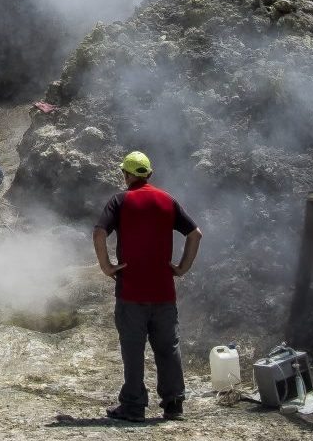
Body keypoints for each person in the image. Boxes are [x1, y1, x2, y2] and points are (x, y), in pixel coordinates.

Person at [92, 150, 202, 423]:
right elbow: (195, 234)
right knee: (168, 346)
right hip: (164, 291)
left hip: (131, 291)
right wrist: (182, 267)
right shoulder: (167, 200)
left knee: (133, 350)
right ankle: (174, 404)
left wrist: (107, 267)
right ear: (149, 174)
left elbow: (99, 231)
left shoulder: (120, 201)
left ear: (126, 175)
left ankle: (134, 406)